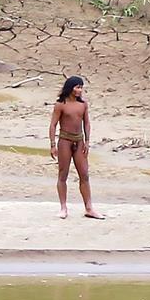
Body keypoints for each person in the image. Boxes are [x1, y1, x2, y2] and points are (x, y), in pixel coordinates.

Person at [49, 76, 104, 220]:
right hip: (65, 141)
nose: (79, 90)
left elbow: (86, 123)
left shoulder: (83, 104)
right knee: (63, 174)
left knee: (84, 174)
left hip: (79, 141)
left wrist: (87, 141)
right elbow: (53, 124)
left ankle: (89, 207)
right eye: (77, 87)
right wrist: (53, 144)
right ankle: (63, 207)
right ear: (70, 87)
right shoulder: (61, 104)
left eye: (81, 87)